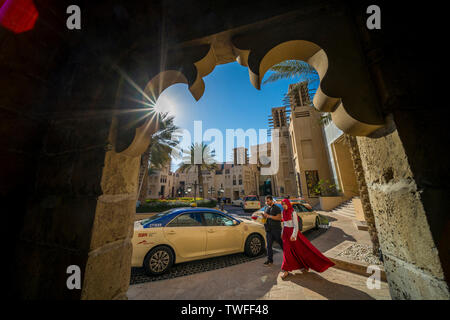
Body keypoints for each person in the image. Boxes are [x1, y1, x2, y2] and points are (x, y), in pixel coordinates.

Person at [279, 198, 335, 279]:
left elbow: (296, 226)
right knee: (287, 252)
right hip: (285, 234)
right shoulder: (283, 212)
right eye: (282, 204)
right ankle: (286, 270)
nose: (284, 206)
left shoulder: (293, 212)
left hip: (292, 233)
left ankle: (303, 264)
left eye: (285, 204)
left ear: (288, 204)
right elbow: (284, 224)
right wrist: (282, 233)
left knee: (300, 250)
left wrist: (294, 235)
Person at [262, 195, 283, 266]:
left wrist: (269, 216)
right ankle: (270, 260)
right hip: (268, 230)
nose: (267, 202)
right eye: (266, 201)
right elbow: (265, 218)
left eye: (268, 201)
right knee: (268, 246)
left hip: (276, 229)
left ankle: (288, 256)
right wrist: (264, 217)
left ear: (271, 200)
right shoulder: (266, 208)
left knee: (281, 243)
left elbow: (279, 218)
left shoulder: (277, 208)